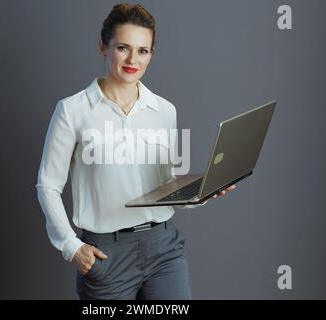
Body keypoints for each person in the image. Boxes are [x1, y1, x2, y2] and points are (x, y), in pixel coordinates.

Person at [36, 3, 236, 300]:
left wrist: (202, 191)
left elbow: (169, 186)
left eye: (143, 51)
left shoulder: (166, 110)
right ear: (103, 46)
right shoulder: (72, 110)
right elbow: (48, 185)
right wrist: (70, 246)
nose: (133, 60)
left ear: (151, 54)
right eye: (123, 48)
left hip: (164, 248)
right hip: (107, 254)